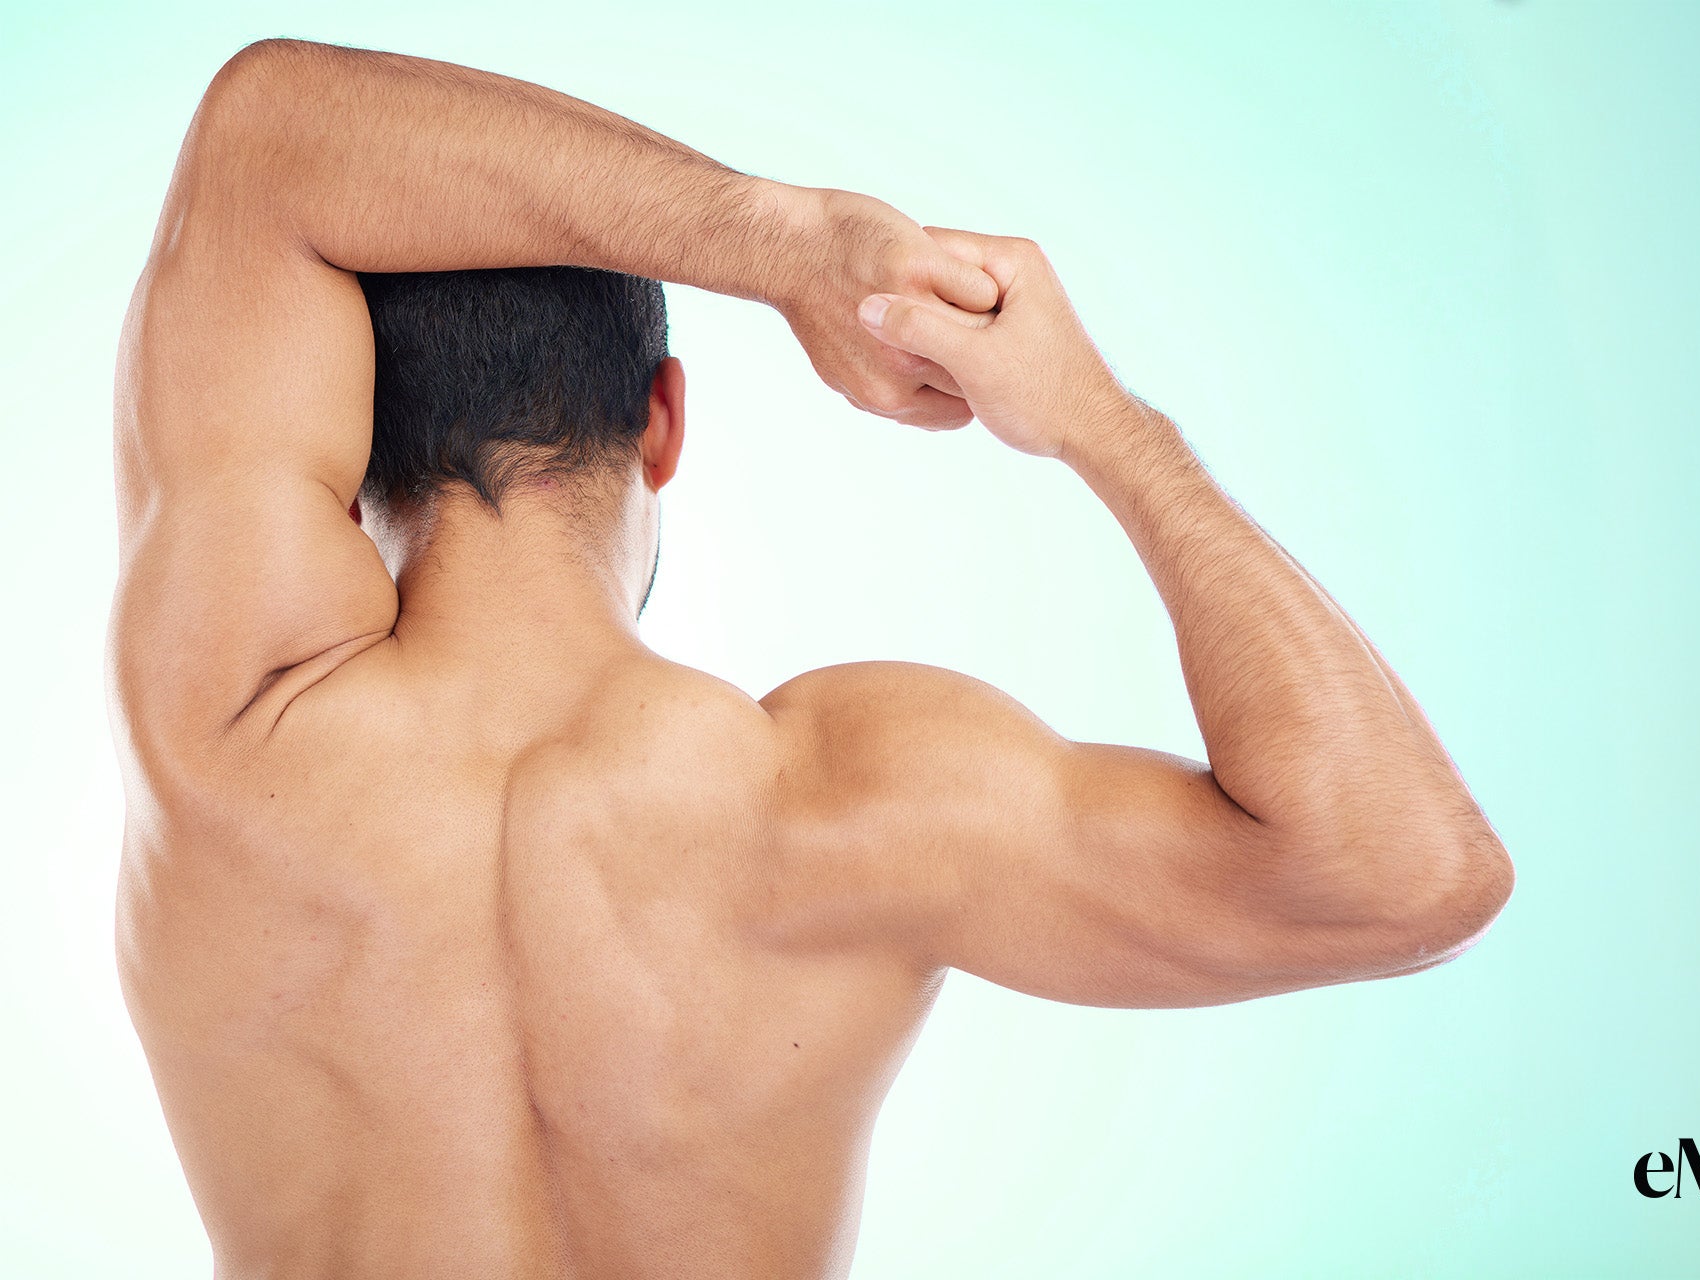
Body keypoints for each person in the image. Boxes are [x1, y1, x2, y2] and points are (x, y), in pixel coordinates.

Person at [107, 37, 1513, 1279]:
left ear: (348, 462)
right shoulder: (847, 800)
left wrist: (789, 246)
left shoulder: (235, 723)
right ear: (664, 420)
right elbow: (1404, 874)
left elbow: (269, 130)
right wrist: (1096, 421)